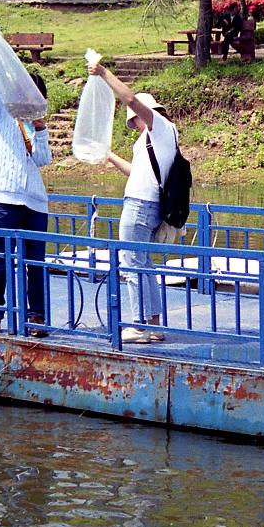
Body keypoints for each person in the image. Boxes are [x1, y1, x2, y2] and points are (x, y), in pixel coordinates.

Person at [87, 62, 177, 344]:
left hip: (140, 206)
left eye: (135, 119)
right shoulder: (152, 138)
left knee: (132, 264)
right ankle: (153, 324)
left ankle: (138, 325)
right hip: (147, 204)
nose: (134, 123)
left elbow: (129, 99)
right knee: (143, 264)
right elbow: (137, 172)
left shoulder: (160, 126)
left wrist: (103, 73)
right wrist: (110, 156)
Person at [0, 56, 52, 338]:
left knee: (35, 262)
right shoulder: (1, 112)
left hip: (35, 201)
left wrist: (42, 128)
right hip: (5, 196)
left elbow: (43, 160)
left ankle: (37, 316)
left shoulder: (37, 126)